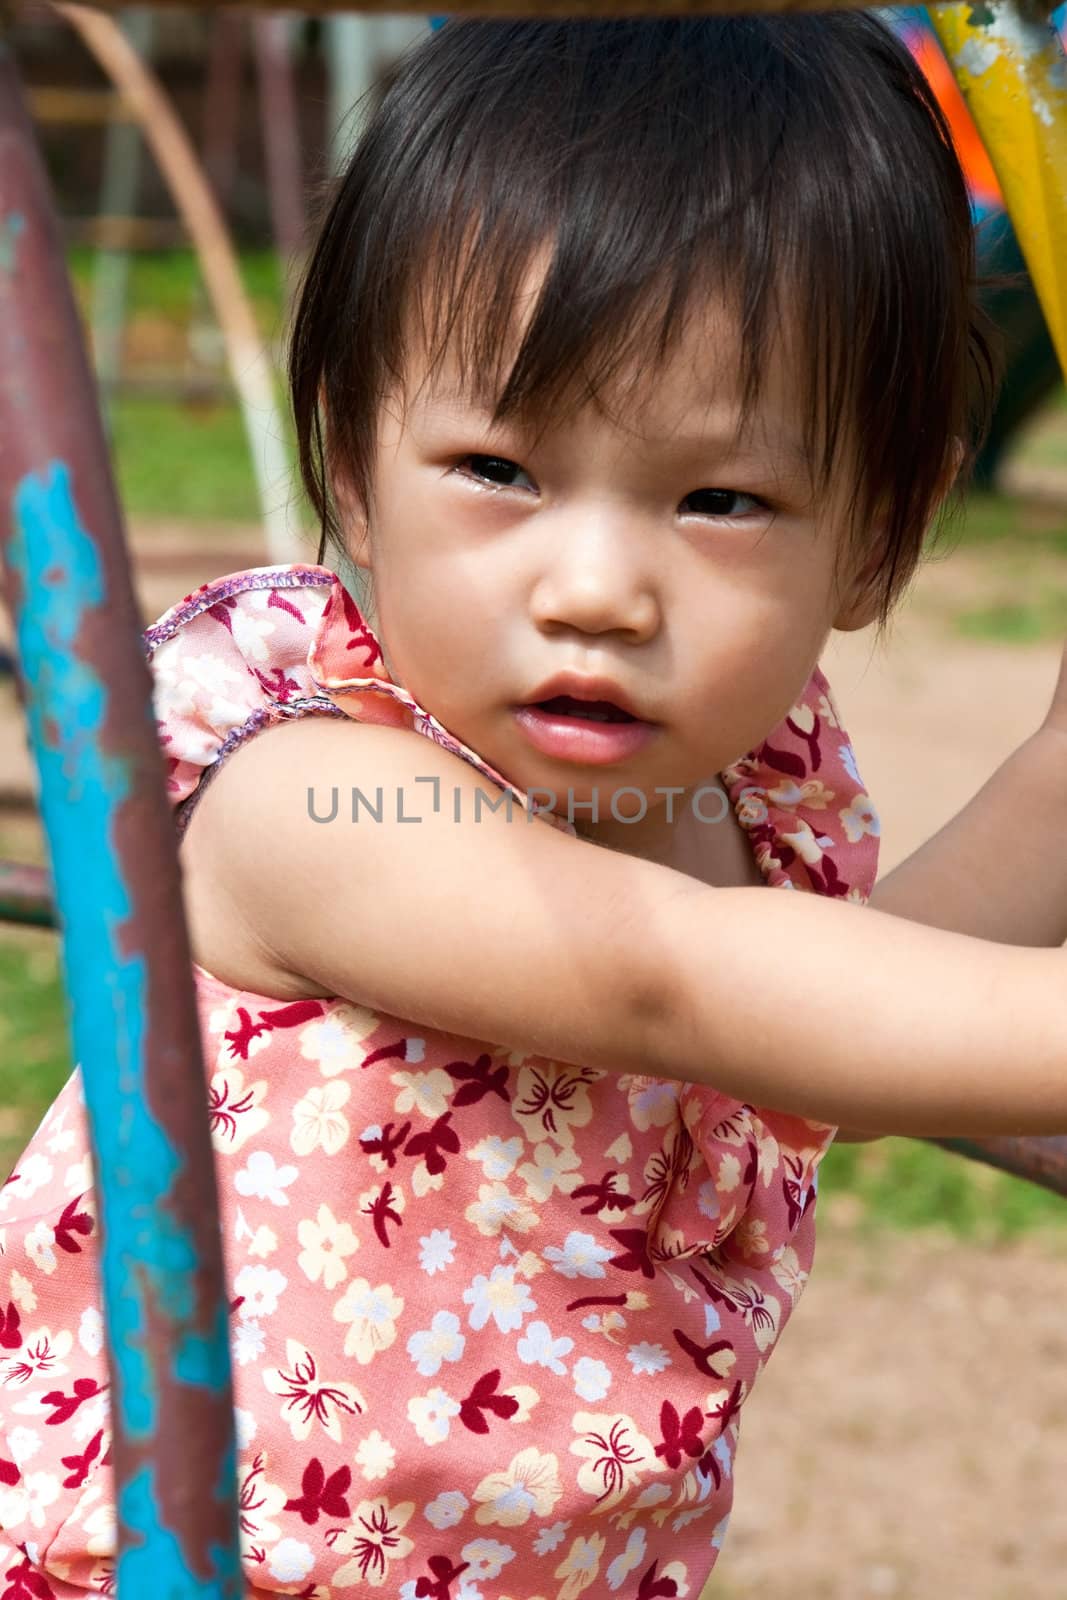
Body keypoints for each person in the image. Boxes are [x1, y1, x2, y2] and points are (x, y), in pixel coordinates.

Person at [1, 16, 1065, 1599]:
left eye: (719, 500)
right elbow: (676, 978)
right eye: (500, 469)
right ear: (353, 463)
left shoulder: (737, 810)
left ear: (878, 538)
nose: (593, 590)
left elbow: (828, 1013)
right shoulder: (311, 790)